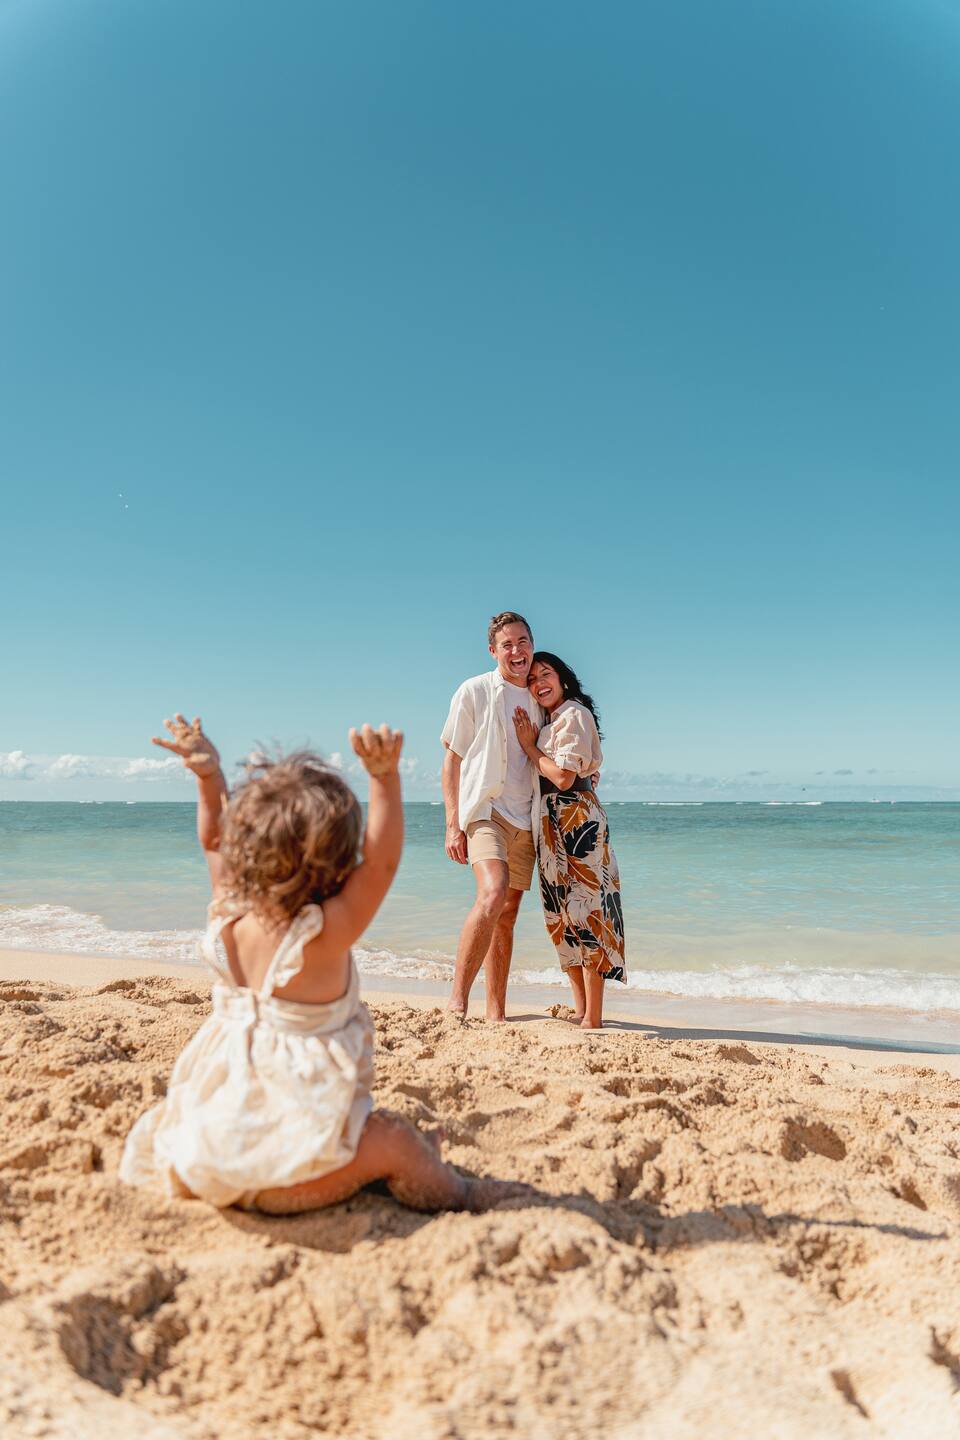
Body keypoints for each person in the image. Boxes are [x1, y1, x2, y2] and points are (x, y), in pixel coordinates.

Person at [120, 713, 521, 1214]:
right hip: (286, 1178)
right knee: (394, 1140)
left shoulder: (229, 914)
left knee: (370, 1130)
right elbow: (381, 863)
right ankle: (459, 1193)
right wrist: (383, 778)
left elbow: (212, 841)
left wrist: (209, 778)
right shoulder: (324, 936)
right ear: (337, 862)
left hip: (204, 1155)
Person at [512, 654, 626, 1030]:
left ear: (563, 680)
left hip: (575, 815)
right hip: (550, 819)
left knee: (586, 911)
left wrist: (530, 747)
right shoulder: (553, 719)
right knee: (560, 917)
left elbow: (562, 776)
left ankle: (593, 1017)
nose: (539, 682)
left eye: (546, 674)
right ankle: (582, 1009)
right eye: (532, 678)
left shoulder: (573, 713)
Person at [441, 612, 542, 1021]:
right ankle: (457, 1000)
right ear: (493, 651)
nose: (516, 652)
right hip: (485, 810)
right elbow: (451, 759)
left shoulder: (541, 694)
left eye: (522, 642)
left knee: (509, 914)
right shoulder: (476, 690)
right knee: (492, 893)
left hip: (527, 818)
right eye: (507, 645)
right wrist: (453, 822)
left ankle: (496, 1011)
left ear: (532, 644)